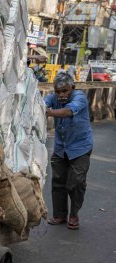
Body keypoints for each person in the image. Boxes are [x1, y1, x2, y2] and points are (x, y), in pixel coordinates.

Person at [44, 72, 93, 230]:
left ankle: (74, 214)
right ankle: (59, 215)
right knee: (58, 182)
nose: (61, 95)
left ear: (72, 87)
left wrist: (49, 112)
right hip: (60, 148)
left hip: (80, 148)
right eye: (58, 92)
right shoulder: (54, 98)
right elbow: (42, 103)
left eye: (65, 91)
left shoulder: (79, 97)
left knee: (76, 182)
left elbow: (68, 112)